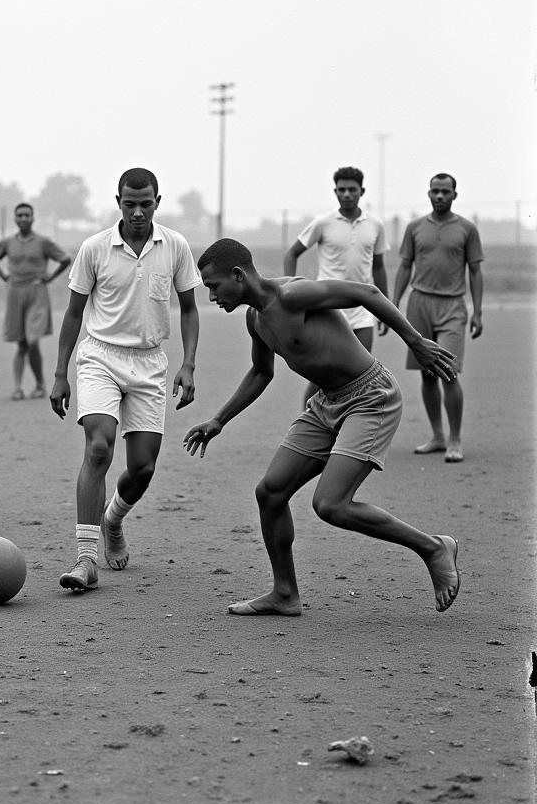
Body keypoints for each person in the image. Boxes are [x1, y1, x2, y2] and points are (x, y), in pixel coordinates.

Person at [183, 238, 462, 617]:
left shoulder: (293, 295)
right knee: (270, 493)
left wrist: (416, 342)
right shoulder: (256, 319)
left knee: (330, 504)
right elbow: (262, 372)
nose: (212, 296)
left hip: (370, 397)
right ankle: (285, 593)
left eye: (214, 287)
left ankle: (433, 547)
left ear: (238, 275)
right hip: (326, 403)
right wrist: (219, 419)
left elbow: (367, 292)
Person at [50, 168, 200, 592]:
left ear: (157, 201)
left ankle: (112, 520)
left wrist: (189, 364)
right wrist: (61, 373)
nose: (137, 212)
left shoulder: (175, 246)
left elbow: (189, 308)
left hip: (150, 363)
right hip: (100, 356)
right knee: (99, 448)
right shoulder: (94, 248)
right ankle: (85, 559)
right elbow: (74, 313)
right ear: (117, 200)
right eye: (129, 203)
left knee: (143, 468)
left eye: (145, 204)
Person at [391, 173, 484, 463]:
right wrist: (393, 305)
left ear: (455, 195)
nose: (440, 196)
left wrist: (478, 311)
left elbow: (475, 271)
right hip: (419, 303)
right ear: (428, 194)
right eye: (435, 191)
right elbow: (405, 266)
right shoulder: (415, 227)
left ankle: (455, 439)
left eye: (446, 191)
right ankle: (437, 436)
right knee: (427, 373)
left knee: (449, 372)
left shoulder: (467, 229)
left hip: (453, 306)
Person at [283, 166, 388, 405]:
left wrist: (385, 307)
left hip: (362, 309)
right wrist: (288, 291)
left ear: (362, 191)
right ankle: (307, 421)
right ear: (335, 192)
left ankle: (348, 429)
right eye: (342, 190)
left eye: (352, 190)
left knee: (362, 372)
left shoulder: (375, 225)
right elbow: (292, 254)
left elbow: (379, 267)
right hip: (328, 309)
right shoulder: (323, 223)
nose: (347, 194)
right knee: (322, 373)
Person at [0, 202, 72, 400]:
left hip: (37, 291)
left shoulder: (43, 242)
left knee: (33, 340)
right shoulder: (8, 243)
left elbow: (65, 259)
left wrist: (50, 276)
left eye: (27, 215)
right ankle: (17, 387)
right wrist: (4, 276)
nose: (23, 219)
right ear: (15, 219)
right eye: (20, 215)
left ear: (33, 218)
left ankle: (40, 383)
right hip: (15, 292)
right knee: (21, 343)